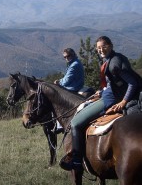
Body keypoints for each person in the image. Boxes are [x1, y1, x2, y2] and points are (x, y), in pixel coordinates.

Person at [61, 36, 142, 171]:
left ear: (110, 45)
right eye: (98, 48)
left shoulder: (114, 63)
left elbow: (133, 83)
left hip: (112, 99)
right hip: (109, 94)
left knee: (75, 123)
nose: (101, 50)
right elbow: (115, 82)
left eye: (103, 46)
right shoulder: (112, 59)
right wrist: (102, 90)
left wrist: (123, 102)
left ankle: (76, 162)